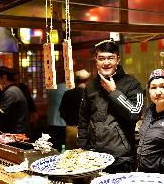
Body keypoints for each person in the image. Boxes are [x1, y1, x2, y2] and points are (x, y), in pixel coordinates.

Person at [77, 39, 143, 173]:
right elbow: (83, 120)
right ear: (96, 61)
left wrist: (114, 92)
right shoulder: (90, 86)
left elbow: (135, 113)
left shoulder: (132, 84)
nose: (106, 63)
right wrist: (82, 149)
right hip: (93, 157)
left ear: (117, 60)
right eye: (101, 58)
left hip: (121, 158)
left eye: (110, 58)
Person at [59, 69, 90, 150]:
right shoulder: (90, 94)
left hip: (71, 129)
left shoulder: (68, 93)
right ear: (87, 81)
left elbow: (61, 112)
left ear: (75, 81)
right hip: (87, 130)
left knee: (71, 155)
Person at [46, 75, 67, 152]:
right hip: (62, 122)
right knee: (62, 145)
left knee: (53, 145)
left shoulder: (54, 88)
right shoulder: (67, 89)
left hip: (51, 120)